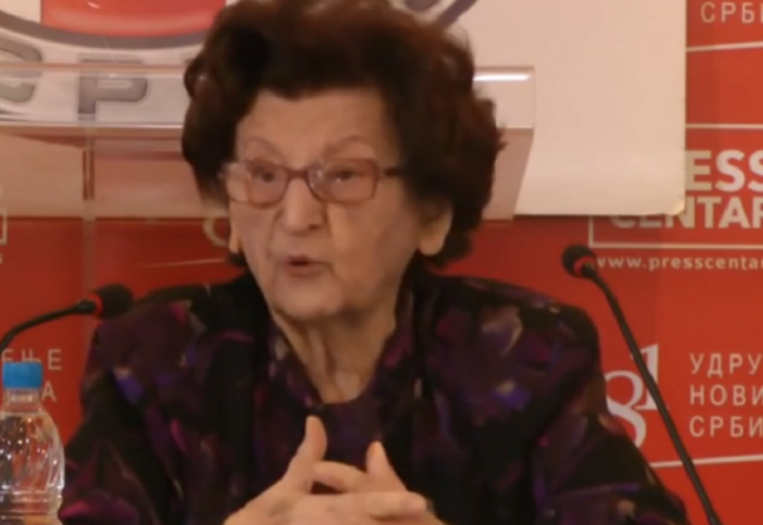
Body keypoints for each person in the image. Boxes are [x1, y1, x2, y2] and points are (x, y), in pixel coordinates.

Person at [59, 0, 690, 524]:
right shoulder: (153, 361)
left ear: (432, 214)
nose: (296, 216)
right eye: (265, 174)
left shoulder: (525, 359)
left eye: (342, 175)